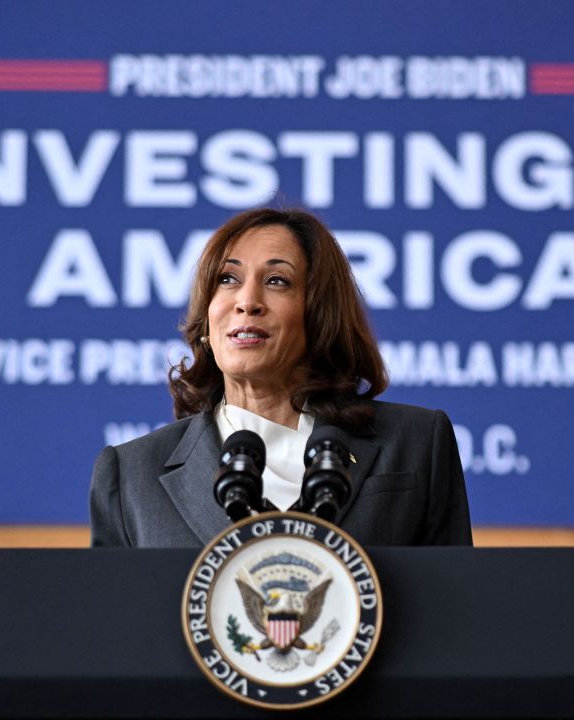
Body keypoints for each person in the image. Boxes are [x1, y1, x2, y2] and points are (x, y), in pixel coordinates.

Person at [90, 208, 472, 547]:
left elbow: (454, 610)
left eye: (276, 281)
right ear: (206, 319)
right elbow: (114, 625)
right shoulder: (132, 475)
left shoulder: (417, 443)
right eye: (227, 279)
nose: (247, 301)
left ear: (319, 315)